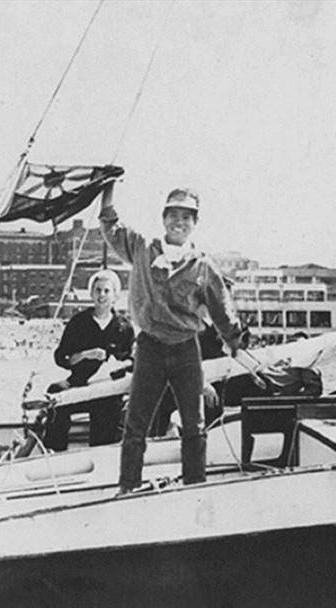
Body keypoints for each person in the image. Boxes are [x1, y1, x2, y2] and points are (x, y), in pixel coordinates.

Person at [100, 187, 242, 494]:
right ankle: (127, 488)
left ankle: (195, 489)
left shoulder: (202, 265)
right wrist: (107, 191)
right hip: (149, 347)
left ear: (195, 223)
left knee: (194, 425)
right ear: (164, 219)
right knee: (136, 425)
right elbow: (111, 226)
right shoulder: (142, 248)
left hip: (186, 350)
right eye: (174, 215)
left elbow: (222, 308)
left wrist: (235, 342)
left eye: (187, 217)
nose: (180, 222)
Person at [42, 269, 135, 451]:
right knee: (56, 393)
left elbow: (132, 361)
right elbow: (61, 357)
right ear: (91, 293)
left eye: (107, 291)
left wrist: (119, 364)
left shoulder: (124, 327)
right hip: (79, 384)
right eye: (98, 290)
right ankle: (55, 454)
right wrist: (85, 354)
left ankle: (100, 456)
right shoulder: (79, 322)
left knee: (110, 411)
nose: (102, 295)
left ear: (115, 295)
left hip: (107, 390)